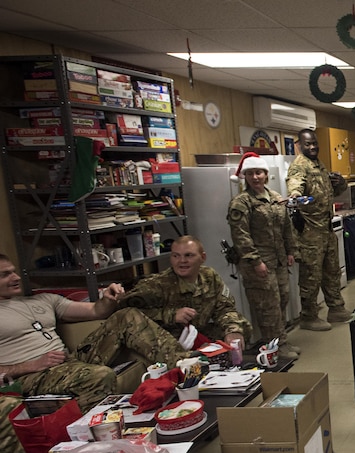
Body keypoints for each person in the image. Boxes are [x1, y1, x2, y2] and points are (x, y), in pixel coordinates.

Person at [0, 254, 191, 410]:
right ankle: (94, 437)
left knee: (127, 315)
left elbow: (96, 311)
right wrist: (29, 365)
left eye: (14, 272)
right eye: (5, 274)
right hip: (33, 376)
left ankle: (188, 367)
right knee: (100, 375)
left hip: (69, 363)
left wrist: (108, 299)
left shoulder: (42, 300)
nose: (16, 277)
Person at [226, 153, 300, 359]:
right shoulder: (241, 202)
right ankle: (275, 346)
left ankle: (280, 339)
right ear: (245, 177)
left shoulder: (276, 197)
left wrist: (290, 251)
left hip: (279, 259)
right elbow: (241, 235)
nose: (255, 177)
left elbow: (287, 227)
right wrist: (255, 261)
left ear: (266, 175)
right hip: (258, 262)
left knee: (282, 299)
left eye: (259, 172)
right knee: (268, 306)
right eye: (250, 173)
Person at [119, 236, 252, 347]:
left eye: (188, 255)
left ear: (202, 257)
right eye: (176, 256)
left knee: (242, 327)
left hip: (196, 333)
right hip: (166, 340)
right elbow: (125, 314)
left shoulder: (209, 276)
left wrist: (232, 331)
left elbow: (225, 309)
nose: (182, 261)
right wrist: (170, 315)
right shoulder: (156, 285)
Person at [287, 128, 350, 331]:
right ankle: (309, 316)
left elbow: (331, 191)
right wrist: (295, 195)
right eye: (308, 144)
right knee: (311, 276)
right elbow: (295, 186)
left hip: (326, 228)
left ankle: (336, 308)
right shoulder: (299, 166)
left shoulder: (319, 164)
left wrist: (341, 184)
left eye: (314, 143)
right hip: (310, 232)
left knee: (332, 271)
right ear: (300, 145)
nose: (313, 147)